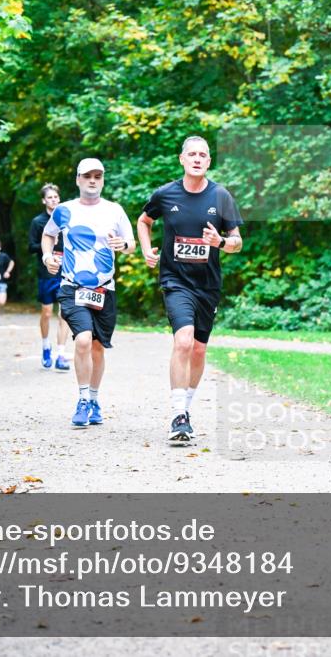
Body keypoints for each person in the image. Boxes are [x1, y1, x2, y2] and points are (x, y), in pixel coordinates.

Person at [136, 136, 243, 445]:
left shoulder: (220, 196)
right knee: (183, 341)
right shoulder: (165, 194)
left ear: (209, 162)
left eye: (203, 155)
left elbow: (237, 242)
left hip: (207, 285)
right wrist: (146, 250)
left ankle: (186, 408)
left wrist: (220, 242)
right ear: (182, 159)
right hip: (175, 280)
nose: (197, 159)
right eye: (192, 154)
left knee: (198, 349)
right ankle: (178, 415)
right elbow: (144, 221)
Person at [42, 158, 135, 428]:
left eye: (98, 176)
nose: (93, 180)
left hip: (104, 289)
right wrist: (48, 256)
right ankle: (82, 400)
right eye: (87, 176)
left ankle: (94, 399)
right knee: (82, 340)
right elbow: (49, 235)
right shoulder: (63, 210)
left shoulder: (115, 210)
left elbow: (131, 244)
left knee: (97, 347)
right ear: (78, 180)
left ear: (103, 180)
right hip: (72, 287)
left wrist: (123, 244)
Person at [29, 184, 71, 371]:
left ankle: (61, 355)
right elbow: (31, 246)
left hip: (66, 271)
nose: (53, 200)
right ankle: (46, 346)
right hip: (46, 272)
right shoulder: (38, 222)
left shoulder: (67, 219)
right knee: (47, 312)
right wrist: (48, 247)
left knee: (64, 313)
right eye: (50, 197)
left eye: (56, 197)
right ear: (44, 200)